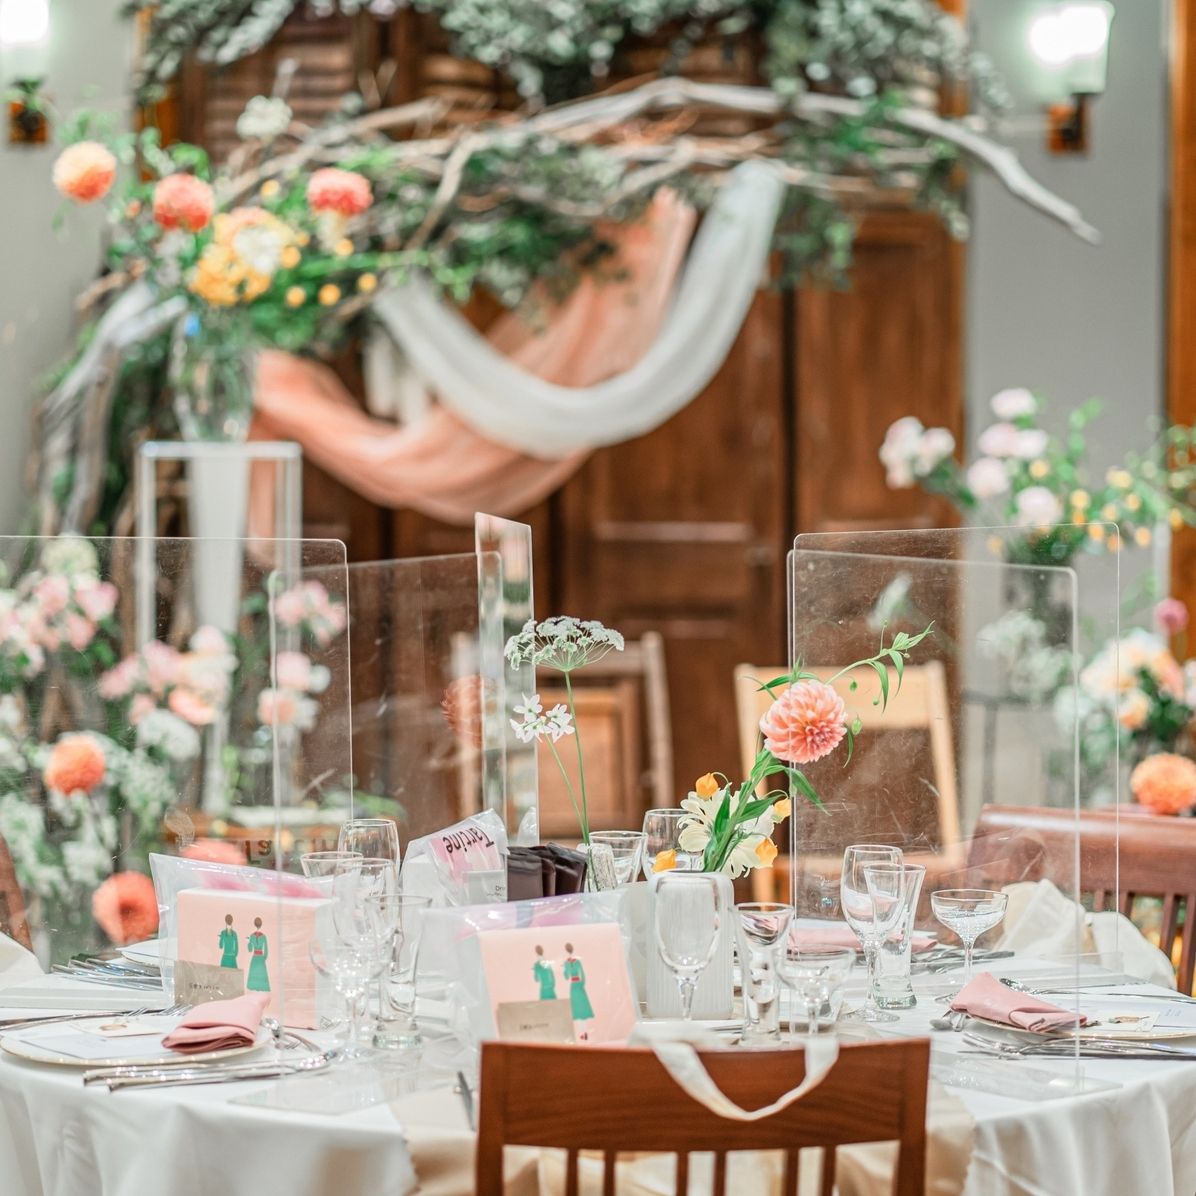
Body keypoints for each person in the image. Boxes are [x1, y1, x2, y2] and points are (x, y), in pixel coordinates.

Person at [562, 942, 594, 1035]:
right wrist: (582, 984)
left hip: (573, 986)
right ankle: (584, 1032)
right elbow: (582, 974)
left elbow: (566, 977)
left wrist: (564, 969)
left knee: (577, 1008)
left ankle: (582, 1033)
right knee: (582, 1007)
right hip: (579, 984)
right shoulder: (577, 961)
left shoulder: (566, 963)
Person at [246, 917, 270, 992]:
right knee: (261, 973)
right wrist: (264, 958)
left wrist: (248, 942)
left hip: (255, 957)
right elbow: (266, 949)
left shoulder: (251, 936)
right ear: (261, 925)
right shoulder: (264, 936)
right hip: (261, 957)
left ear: (254, 924)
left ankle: (255, 988)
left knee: (254, 973)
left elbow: (250, 950)